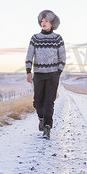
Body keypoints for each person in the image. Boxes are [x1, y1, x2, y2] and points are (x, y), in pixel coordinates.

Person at [26, 10, 66, 139]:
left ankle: (47, 128)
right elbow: (29, 55)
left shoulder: (57, 38)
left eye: (46, 21)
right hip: (38, 74)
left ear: (52, 23)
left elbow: (62, 56)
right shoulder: (35, 38)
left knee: (49, 102)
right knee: (38, 102)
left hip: (53, 75)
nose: (43, 23)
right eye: (42, 21)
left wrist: (58, 72)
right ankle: (41, 119)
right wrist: (28, 71)